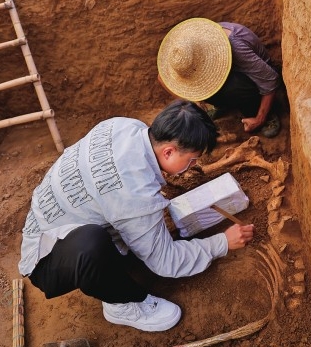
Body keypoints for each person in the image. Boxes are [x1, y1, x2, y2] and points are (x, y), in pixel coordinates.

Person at [18, 100, 254, 332]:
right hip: (46, 257)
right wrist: (221, 243)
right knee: (91, 244)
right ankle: (120, 305)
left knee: (113, 233)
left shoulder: (124, 126)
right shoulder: (135, 193)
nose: (192, 166)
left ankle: (115, 247)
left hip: (51, 217)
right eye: (191, 160)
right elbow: (166, 262)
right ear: (169, 152)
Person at [157, 18, 282, 138]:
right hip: (231, 73)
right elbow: (161, 78)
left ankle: (264, 112)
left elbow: (270, 80)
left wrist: (259, 119)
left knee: (232, 89)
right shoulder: (181, 48)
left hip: (253, 78)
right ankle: (223, 104)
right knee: (201, 89)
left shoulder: (237, 48)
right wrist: (193, 103)